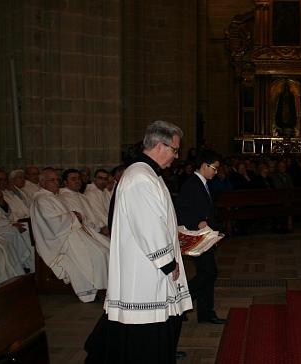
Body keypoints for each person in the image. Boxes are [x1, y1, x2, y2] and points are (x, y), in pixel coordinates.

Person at [85, 120, 191, 363]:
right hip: (144, 270)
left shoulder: (146, 173)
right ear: (159, 146)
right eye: (175, 150)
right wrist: (167, 261)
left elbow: (158, 217)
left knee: (155, 324)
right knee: (143, 329)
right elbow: (148, 226)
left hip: (147, 265)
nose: (176, 156)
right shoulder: (140, 177)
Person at [30, 168, 109, 302]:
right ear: (42, 183)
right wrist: (73, 216)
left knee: (106, 249)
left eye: (57, 180)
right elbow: (54, 223)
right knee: (97, 254)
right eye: (52, 180)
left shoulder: (53, 197)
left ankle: (100, 287)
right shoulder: (42, 200)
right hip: (58, 239)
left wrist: (72, 216)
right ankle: (90, 291)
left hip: (69, 232)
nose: (56, 183)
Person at [174, 149, 227, 325]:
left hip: (204, 238)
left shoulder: (202, 183)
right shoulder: (191, 185)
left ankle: (205, 313)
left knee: (208, 274)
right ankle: (180, 304)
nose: (216, 171)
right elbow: (179, 210)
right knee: (209, 273)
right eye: (214, 168)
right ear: (205, 165)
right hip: (196, 237)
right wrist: (197, 222)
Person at [59, 169, 110, 239]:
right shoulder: (66, 197)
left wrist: (102, 225)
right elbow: (82, 219)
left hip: (95, 229)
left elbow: (94, 214)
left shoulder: (81, 196)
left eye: (79, 178)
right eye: (73, 179)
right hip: (85, 234)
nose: (77, 181)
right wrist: (100, 230)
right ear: (65, 182)